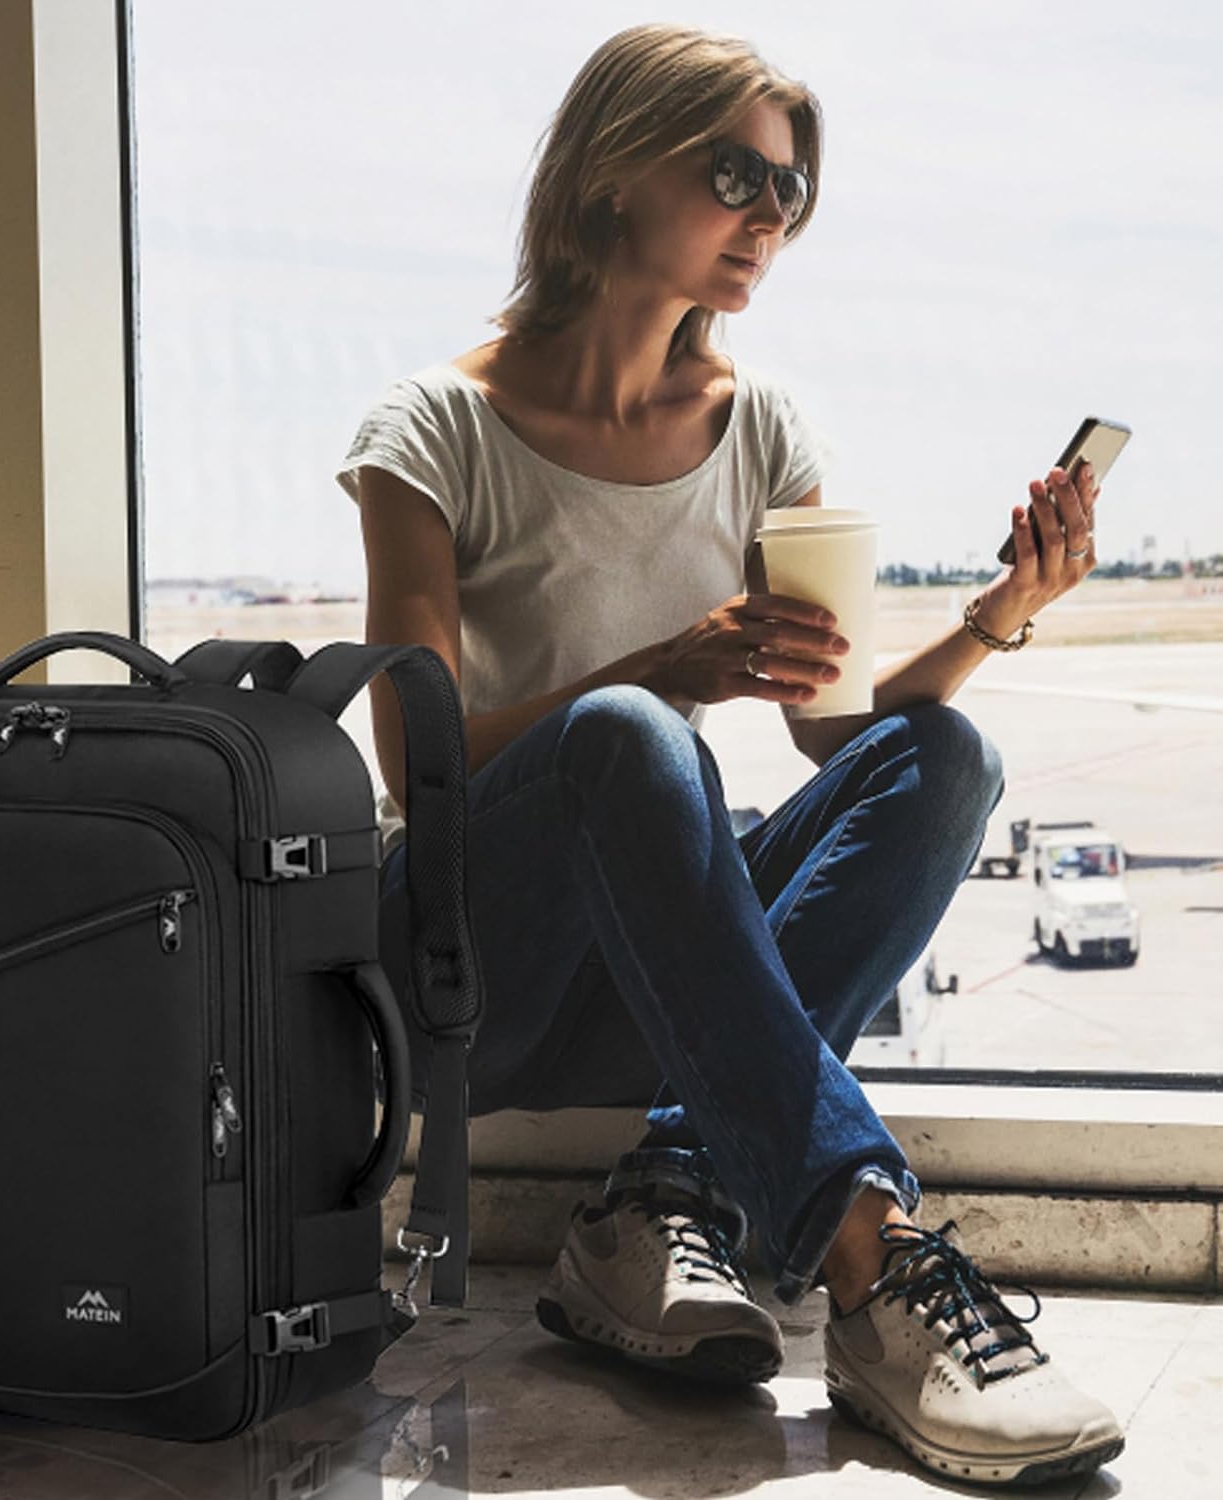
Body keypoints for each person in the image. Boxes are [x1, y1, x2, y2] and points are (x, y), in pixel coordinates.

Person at [335, 22, 1122, 1488]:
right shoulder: (436, 428)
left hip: (658, 972)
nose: (771, 216)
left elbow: (835, 720)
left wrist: (995, 617)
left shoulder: (759, 429)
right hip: (467, 967)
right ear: (610, 174)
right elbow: (413, 769)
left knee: (944, 760)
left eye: (792, 189)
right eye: (735, 176)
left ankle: (665, 1190)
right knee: (632, 737)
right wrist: (659, 670)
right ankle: (872, 1264)